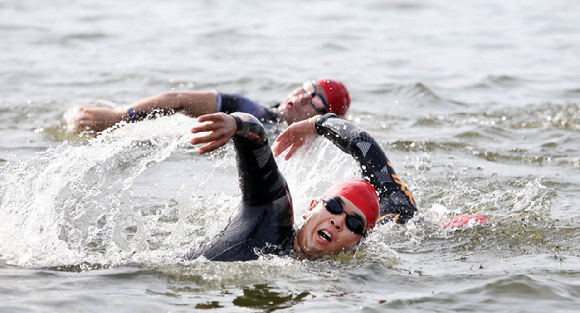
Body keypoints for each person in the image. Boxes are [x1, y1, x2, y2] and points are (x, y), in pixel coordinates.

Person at [184, 110, 417, 261]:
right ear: (313, 206)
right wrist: (235, 124)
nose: (338, 221)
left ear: (359, 243)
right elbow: (256, 139)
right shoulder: (271, 217)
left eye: (354, 223)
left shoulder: (341, 279)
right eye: (334, 206)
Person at [69, 79, 351, 134]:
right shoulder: (253, 111)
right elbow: (178, 100)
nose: (301, 97)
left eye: (315, 101)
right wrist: (118, 117)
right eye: (306, 88)